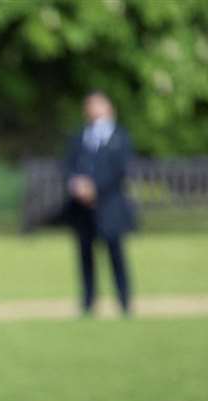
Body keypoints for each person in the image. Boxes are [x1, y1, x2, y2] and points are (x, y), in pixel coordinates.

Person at [63, 91, 135, 316]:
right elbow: (68, 166)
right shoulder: (80, 137)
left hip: (110, 206)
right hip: (83, 209)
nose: (93, 110)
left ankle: (123, 300)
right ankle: (88, 301)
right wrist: (77, 184)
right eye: (90, 106)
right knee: (85, 255)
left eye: (98, 105)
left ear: (109, 108)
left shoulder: (120, 138)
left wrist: (95, 187)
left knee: (115, 254)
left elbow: (120, 170)